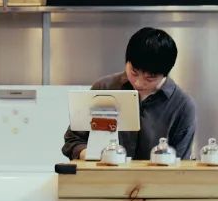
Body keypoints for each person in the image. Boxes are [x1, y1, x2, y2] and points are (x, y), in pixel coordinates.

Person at [62, 27, 196, 160]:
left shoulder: (182, 105)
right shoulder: (104, 89)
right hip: (104, 178)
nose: (138, 83)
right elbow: (73, 140)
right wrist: (92, 155)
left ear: (165, 74)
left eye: (150, 78)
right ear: (127, 61)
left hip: (156, 180)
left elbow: (180, 164)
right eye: (134, 72)